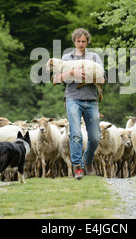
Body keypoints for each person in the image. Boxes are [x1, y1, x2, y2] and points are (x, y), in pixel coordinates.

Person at [53, 28, 105, 180]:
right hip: (72, 99)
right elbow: (55, 79)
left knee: (95, 137)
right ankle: (78, 168)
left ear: (87, 42)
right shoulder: (66, 58)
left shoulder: (94, 58)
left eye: (84, 41)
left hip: (91, 100)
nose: (81, 44)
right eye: (78, 41)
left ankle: (87, 160)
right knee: (75, 134)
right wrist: (71, 73)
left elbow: (103, 79)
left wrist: (89, 77)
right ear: (74, 42)